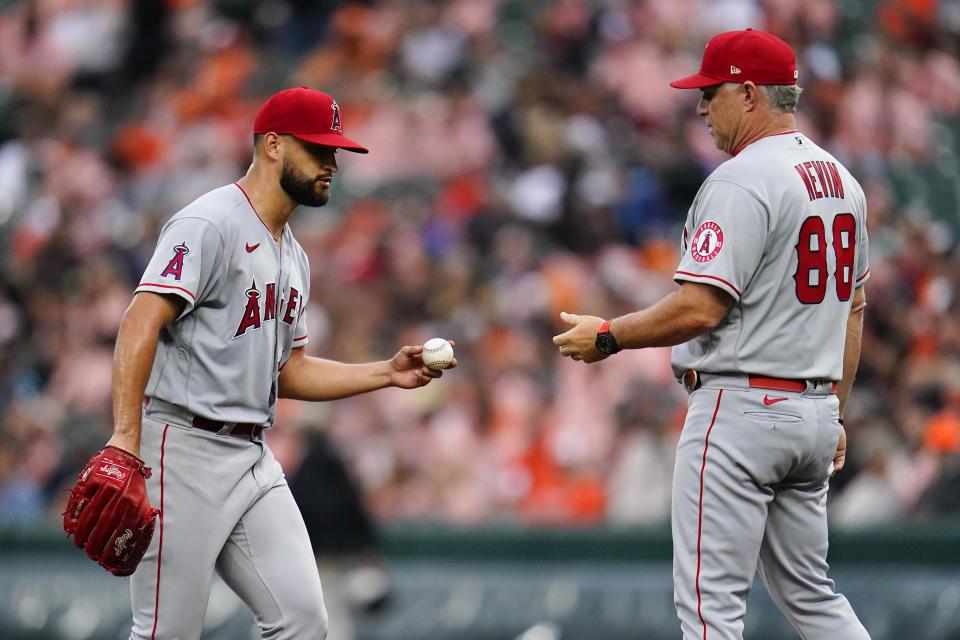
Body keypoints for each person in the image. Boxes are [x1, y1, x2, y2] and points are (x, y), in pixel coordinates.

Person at [553, 29, 870, 640]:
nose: (700, 107)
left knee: (709, 611)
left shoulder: (739, 179)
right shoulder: (842, 181)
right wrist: (834, 412)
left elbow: (701, 308)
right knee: (814, 598)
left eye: (711, 93)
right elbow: (853, 308)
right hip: (812, 410)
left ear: (749, 93)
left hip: (740, 408)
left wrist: (610, 336)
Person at [106, 86, 454, 639]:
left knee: (302, 621)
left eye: (335, 152)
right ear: (273, 145)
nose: (332, 164)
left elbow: (290, 372)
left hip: (251, 457)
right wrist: (125, 438)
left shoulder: (293, 253)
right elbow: (139, 322)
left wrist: (385, 372)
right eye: (318, 150)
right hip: (182, 449)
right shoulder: (210, 223)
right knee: (164, 634)